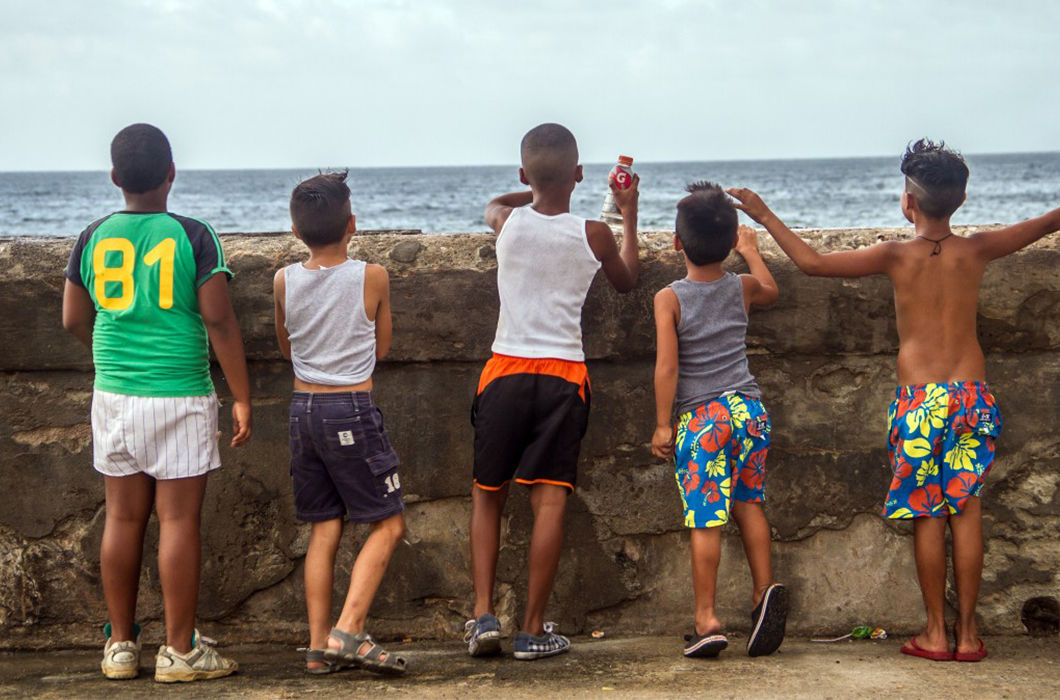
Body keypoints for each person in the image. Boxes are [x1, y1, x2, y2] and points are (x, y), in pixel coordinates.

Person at [728, 139, 1060, 662]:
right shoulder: (978, 249)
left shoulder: (894, 255)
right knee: (967, 511)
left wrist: (764, 214)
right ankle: (969, 635)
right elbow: (1048, 222)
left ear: (908, 203)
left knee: (929, 515)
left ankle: (934, 633)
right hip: (972, 395)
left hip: (921, 401)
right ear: (962, 200)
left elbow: (812, 263)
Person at [62, 123, 251, 682]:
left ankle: (120, 646)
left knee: (121, 517)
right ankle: (179, 650)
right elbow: (218, 319)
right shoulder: (194, 236)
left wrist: (116, 352)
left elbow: (75, 320)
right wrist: (241, 395)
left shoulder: (93, 235)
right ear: (172, 174)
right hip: (180, 394)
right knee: (177, 521)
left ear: (116, 178)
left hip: (115, 394)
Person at [465, 123, 641, 660]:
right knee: (548, 503)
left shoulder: (508, 222)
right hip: (563, 377)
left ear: (523, 175)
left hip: (505, 371)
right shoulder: (594, 233)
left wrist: (538, 189)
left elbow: (495, 201)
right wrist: (627, 212)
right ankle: (532, 630)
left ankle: (482, 617)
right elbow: (629, 280)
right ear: (581, 176)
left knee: (487, 495)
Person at [273, 171, 408, 676]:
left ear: (294, 230)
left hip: (301, 411)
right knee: (389, 522)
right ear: (352, 224)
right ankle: (348, 631)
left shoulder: (283, 279)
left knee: (324, 527)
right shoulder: (372, 276)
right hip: (350, 407)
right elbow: (383, 346)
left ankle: (316, 648)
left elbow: (288, 347)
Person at [651, 182, 787, 659]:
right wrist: (751, 253)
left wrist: (663, 425)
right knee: (751, 503)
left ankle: (707, 619)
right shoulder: (741, 286)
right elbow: (771, 288)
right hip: (749, 412)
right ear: (731, 242)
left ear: (676, 242)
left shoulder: (669, 297)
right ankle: (762, 594)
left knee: (707, 520)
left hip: (703, 419)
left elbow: (667, 366)